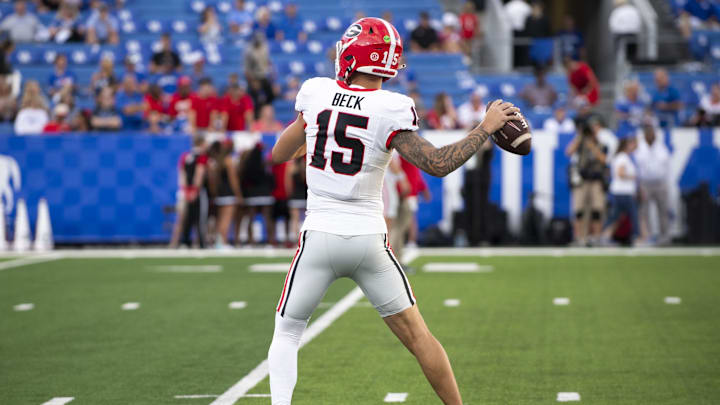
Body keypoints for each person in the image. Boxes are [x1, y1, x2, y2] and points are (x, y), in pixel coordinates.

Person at [267, 17, 518, 405]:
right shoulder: (392, 108)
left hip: (318, 237)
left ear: (350, 55)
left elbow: (279, 154)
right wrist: (483, 128)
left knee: (287, 333)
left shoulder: (315, 94)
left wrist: (313, 133)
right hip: (368, 240)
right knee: (420, 338)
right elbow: (437, 163)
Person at [565, 120, 608, 246]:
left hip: (596, 180)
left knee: (597, 210)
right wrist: (580, 137)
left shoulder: (602, 144)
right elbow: (569, 151)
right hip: (582, 180)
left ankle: (596, 237)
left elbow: (604, 160)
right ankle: (579, 238)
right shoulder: (581, 143)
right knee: (579, 210)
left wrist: (592, 146)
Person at [634, 124, 670, 245]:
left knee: (663, 210)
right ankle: (647, 236)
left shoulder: (661, 147)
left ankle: (664, 236)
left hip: (660, 183)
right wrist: (639, 185)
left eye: (652, 133)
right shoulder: (640, 148)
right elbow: (638, 167)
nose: (650, 136)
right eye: (648, 134)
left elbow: (665, 166)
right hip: (645, 183)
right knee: (644, 211)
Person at [603, 136, 638, 245]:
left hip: (621, 191)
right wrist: (633, 176)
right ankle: (638, 237)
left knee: (616, 216)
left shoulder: (621, 157)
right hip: (623, 192)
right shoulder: (622, 157)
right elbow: (620, 173)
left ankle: (605, 235)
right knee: (633, 215)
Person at [208, 139, 242, 248]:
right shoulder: (228, 161)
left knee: (220, 219)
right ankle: (223, 242)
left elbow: (213, 181)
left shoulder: (217, 162)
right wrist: (238, 194)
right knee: (226, 219)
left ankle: (219, 242)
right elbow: (233, 180)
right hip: (229, 194)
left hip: (220, 194)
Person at [178, 135, 209, 248]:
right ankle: (201, 243)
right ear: (201, 143)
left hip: (186, 191)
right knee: (200, 217)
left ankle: (186, 241)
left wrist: (186, 190)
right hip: (197, 192)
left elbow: (182, 174)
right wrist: (195, 190)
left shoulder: (186, 156)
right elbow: (199, 173)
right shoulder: (202, 156)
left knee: (188, 216)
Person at [244, 33, 275, 111]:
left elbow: (268, 62)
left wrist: (272, 75)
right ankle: (257, 115)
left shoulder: (264, 48)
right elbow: (247, 69)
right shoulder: (249, 51)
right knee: (253, 98)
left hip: (263, 76)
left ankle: (265, 109)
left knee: (271, 95)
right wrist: (252, 81)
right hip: (254, 77)